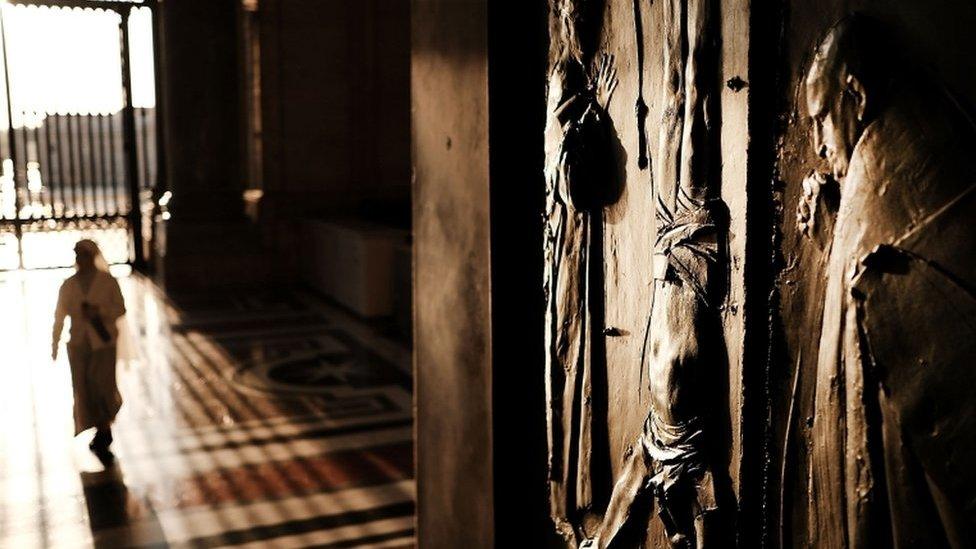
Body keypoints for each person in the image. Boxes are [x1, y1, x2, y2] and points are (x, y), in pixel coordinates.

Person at [799, 14, 976, 547]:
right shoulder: (878, 179)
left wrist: (847, 242)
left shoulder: (894, 172)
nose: (818, 145)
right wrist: (836, 243)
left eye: (822, 119)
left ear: (857, 94)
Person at [52, 239, 126, 453]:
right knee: (84, 386)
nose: (79, 260)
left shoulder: (107, 281)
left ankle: (105, 426)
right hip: (78, 344)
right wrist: (54, 341)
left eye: (82, 255)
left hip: (104, 342)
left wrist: (100, 312)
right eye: (76, 255)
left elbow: (120, 309)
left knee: (102, 385)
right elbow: (59, 315)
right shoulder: (68, 284)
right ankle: (97, 427)